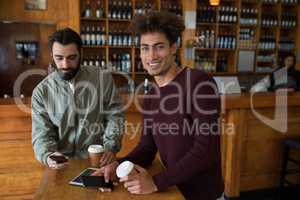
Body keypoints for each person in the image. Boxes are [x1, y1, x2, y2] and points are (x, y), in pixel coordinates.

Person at [93, 12, 224, 200]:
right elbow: (147, 148)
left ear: (173, 47)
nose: (151, 56)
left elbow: (205, 150)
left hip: (203, 194)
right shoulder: (151, 95)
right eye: (145, 48)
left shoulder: (199, 83)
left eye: (159, 47)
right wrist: (117, 166)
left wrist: (156, 182)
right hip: (172, 191)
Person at [31, 28, 124, 170]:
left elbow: (115, 116)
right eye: (59, 58)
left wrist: (111, 147)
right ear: (52, 56)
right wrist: (48, 155)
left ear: (81, 53)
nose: (65, 65)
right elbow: (42, 134)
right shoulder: (41, 92)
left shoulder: (102, 78)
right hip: (61, 164)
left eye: (72, 58)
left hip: (97, 159)